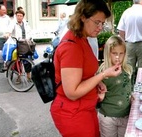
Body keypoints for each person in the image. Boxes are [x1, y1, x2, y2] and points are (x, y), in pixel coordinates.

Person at [50, 0, 122, 136]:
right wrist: (102, 75)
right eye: (97, 22)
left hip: (85, 107)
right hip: (72, 112)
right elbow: (72, 92)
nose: (100, 27)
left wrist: (96, 82)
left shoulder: (82, 38)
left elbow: (83, 73)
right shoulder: (72, 47)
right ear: (82, 17)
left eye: (103, 23)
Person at [97, 35, 133, 137]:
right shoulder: (102, 71)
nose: (118, 57)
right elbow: (97, 92)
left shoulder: (128, 69)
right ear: (108, 53)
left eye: (121, 53)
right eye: (114, 53)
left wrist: (130, 93)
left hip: (125, 114)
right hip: (107, 116)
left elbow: (128, 85)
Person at [117, 0, 142, 84]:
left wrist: (124, 42)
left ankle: (129, 89)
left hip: (129, 44)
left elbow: (121, 30)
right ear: (141, 1)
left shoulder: (126, 12)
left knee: (129, 69)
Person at [10, 10, 33, 82]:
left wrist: (28, 38)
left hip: (25, 43)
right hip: (17, 43)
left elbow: (29, 32)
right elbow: (9, 30)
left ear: (23, 17)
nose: (19, 17)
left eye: (21, 16)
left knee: (28, 59)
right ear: (16, 16)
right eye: (18, 16)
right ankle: (18, 76)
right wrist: (7, 34)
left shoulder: (26, 24)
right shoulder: (13, 23)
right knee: (17, 60)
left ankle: (28, 75)